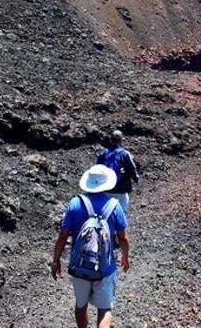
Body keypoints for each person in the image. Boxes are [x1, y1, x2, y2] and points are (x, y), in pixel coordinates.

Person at [51, 165, 130, 328]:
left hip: (79, 266)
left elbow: (63, 236)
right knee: (104, 309)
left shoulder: (74, 203)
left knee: (81, 305)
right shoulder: (115, 206)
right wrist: (125, 257)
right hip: (105, 267)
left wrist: (55, 261)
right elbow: (123, 238)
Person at [96, 130, 140, 217]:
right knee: (122, 213)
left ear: (110, 140)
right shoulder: (125, 154)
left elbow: (97, 168)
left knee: (105, 213)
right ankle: (120, 228)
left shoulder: (104, 153)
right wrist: (136, 179)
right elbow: (132, 169)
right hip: (121, 190)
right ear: (121, 140)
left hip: (106, 188)